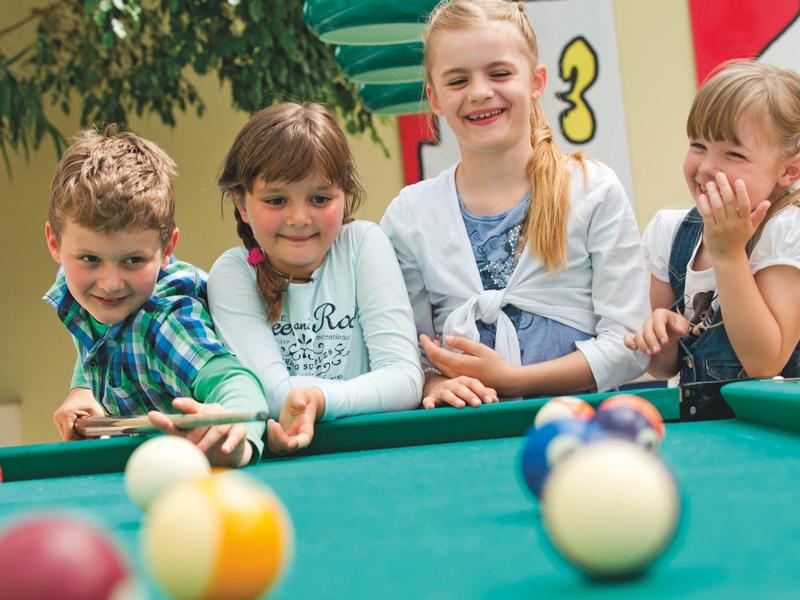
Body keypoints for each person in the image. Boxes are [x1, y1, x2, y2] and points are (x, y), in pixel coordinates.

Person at [380, 0, 648, 409]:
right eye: (457, 81)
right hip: (460, 440)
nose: (480, 92)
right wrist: (430, 385)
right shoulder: (409, 216)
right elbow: (402, 353)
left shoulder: (593, 190)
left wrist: (513, 380)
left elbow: (631, 345)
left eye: (500, 73)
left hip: (580, 431)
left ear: (536, 80)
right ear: (434, 98)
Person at [44, 125, 267, 467]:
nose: (111, 283)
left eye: (133, 260)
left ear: (167, 250)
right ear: (55, 244)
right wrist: (82, 390)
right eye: (91, 259)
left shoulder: (166, 321)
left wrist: (233, 435)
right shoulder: (86, 295)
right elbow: (99, 334)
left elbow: (235, 382)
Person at [208, 102, 423, 455]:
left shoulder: (364, 244)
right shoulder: (233, 274)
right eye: (276, 200)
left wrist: (318, 400)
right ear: (241, 203)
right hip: (287, 468)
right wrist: (358, 393)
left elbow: (404, 379)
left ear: (346, 195)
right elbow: (270, 395)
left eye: (320, 198)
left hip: (377, 455)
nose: (299, 217)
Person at [625, 60, 800, 383]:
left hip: (776, 430)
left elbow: (765, 363)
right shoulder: (671, 232)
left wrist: (729, 254)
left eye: (734, 154)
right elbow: (663, 368)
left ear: (789, 170)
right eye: (698, 145)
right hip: (705, 431)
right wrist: (661, 336)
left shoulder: (787, 229)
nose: (706, 167)